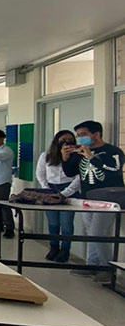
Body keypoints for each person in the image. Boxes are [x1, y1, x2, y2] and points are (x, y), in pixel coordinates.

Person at [63, 120, 125, 280]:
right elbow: (70, 173)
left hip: (109, 198)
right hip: (88, 198)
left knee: (98, 232)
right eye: (78, 136)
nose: (80, 139)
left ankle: (107, 268)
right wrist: (66, 158)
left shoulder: (113, 151)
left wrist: (91, 157)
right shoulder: (81, 152)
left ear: (96, 134)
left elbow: (113, 171)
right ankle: (92, 264)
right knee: (90, 232)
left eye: (83, 135)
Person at [36, 131, 81, 263]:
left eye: (70, 139)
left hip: (70, 190)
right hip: (50, 190)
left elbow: (79, 178)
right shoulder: (46, 156)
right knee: (53, 223)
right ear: (56, 141)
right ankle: (53, 248)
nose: (66, 142)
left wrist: (64, 193)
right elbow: (40, 174)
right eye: (63, 140)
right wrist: (47, 190)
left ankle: (65, 250)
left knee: (66, 224)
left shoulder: (78, 156)